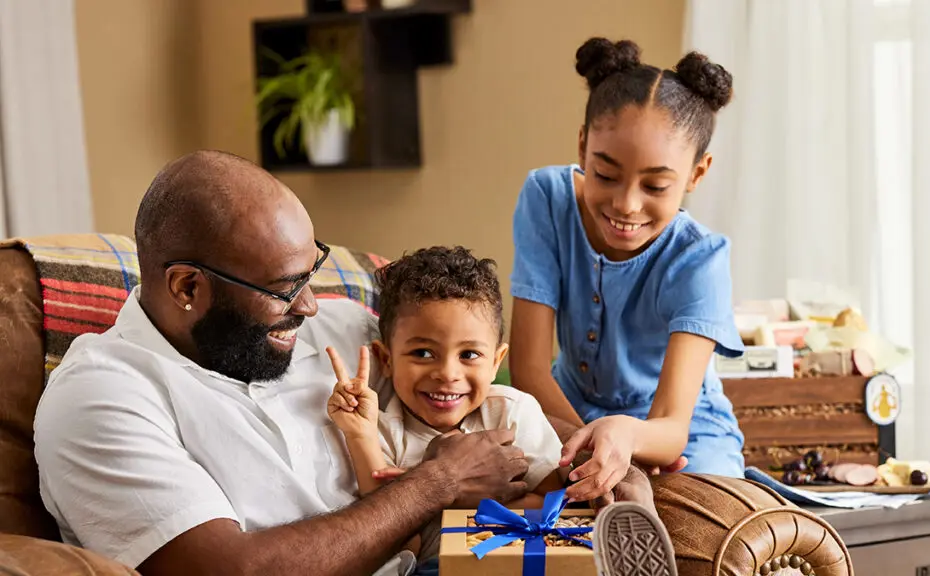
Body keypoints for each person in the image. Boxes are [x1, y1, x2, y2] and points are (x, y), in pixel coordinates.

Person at [33, 150, 661, 576]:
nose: (308, 305)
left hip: (465, 550)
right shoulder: (100, 397)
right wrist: (435, 487)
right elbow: (230, 570)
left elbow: (463, 386)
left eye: (311, 271)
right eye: (283, 287)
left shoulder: (337, 326)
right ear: (188, 288)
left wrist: (606, 454)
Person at [509, 37, 746, 502]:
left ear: (697, 174)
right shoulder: (546, 198)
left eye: (656, 185)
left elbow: (672, 427)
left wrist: (627, 444)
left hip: (675, 435)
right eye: (606, 174)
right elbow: (529, 372)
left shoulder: (701, 258)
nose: (626, 204)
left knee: (704, 513)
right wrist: (593, 455)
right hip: (561, 412)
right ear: (582, 146)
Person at [327, 246, 566, 568]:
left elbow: (555, 506)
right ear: (386, 360)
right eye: (423, 353)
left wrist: (460, 502)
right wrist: (360, 436)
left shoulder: (511, 412)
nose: (448, 374)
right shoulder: (382, 432)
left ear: (496, 362)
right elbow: (398, 541)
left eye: (469, 355)